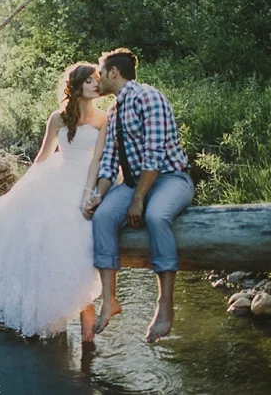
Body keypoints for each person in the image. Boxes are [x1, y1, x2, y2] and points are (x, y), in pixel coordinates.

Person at [0, 63, 107, 343]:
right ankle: (48, 314)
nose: (97, 84)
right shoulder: (58, 118)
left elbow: (100, 159)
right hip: (59, 177)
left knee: (80, 237)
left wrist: (94, 190)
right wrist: (22, 190)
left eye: (98, 80)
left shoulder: (103, 119)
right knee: (43, 234)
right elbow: (43, 157)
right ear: (77, 85)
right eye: (90, 81)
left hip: (87, 180)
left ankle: (88, 337)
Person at [82, 48, 194, 343]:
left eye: (100, 72)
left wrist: (138, 199)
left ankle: (164, 306)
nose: (97, 77)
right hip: (135, 183)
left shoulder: (148, 96)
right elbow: (108, 161)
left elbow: (154, 155)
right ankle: (109, 299)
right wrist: (98, 195)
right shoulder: (115, 110)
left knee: (157, 216)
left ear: (113, 73)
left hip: (171, 178)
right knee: (103, 217)